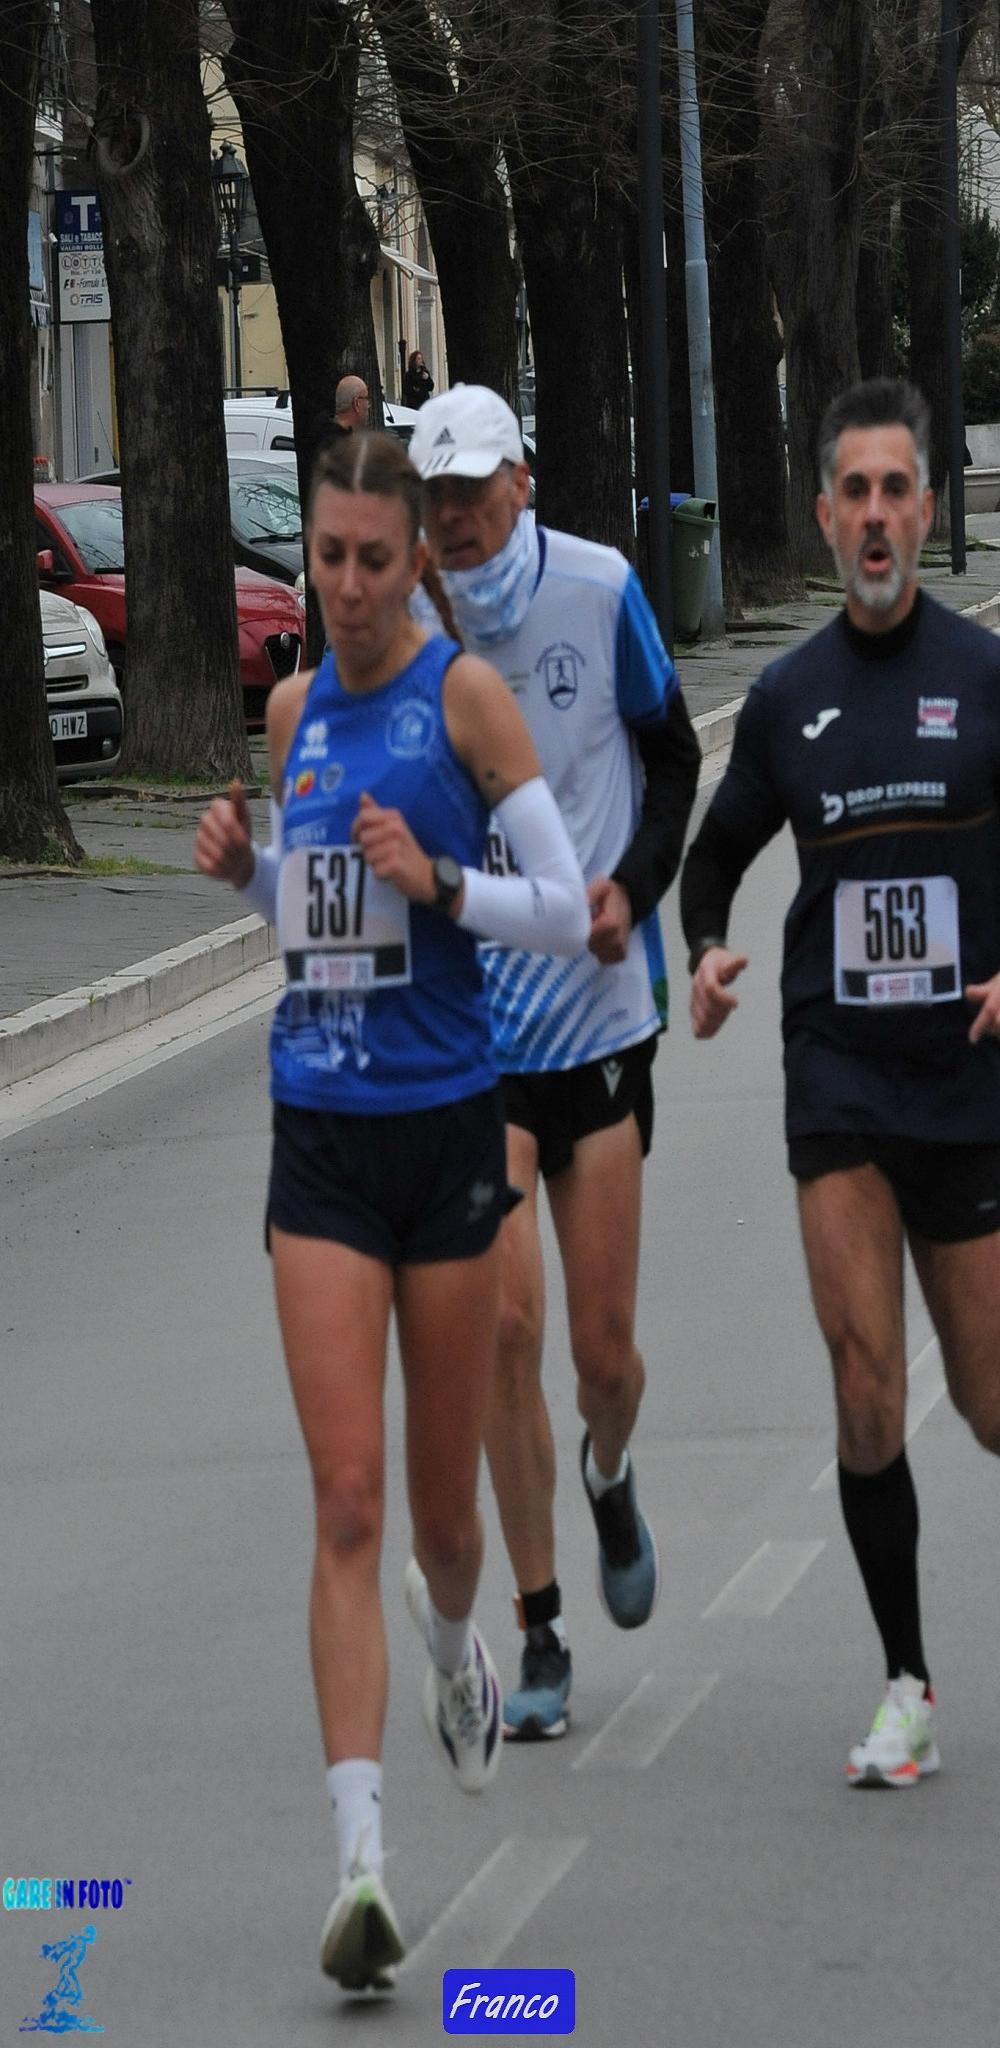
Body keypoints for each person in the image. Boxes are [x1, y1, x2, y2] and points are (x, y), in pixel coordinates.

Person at [194, 431, 588, 1991]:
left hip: (445, 1131)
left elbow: (561, 908)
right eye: (329, 560)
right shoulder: (294, 712)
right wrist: (247, 871)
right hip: (320, 1138)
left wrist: (442, 881)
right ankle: (360, 1866)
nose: (348, 588)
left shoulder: (464, 700)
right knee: (347, 1500)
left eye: (373, 560)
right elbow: (309, 923)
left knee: (441, 1529)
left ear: (416, 559)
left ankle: (454, 1647)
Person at [681, 375, 1000, 1788]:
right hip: (839, 1076)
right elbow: (713, 857)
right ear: (823, 515)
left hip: (970, 1075)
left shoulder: (983, 678)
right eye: (853, 492)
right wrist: (704, 950)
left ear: (928, 510)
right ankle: (906, 1686)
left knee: (989, 1405)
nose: (875, 516)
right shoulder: (788, 700)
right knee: (867, 1382)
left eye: (895, 490)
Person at [408, 385, 702, 1742]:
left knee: (603, 1352)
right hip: (475, 1035)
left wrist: (633, 888)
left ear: (521, 482)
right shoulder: (409, 632)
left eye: (475, 491)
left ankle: (610, 1467)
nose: (456, 518)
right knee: (504, 1329)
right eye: (436, 499)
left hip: (600, 1013)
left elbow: (673, 753)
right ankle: (539, 1626)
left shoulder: (601, 587)